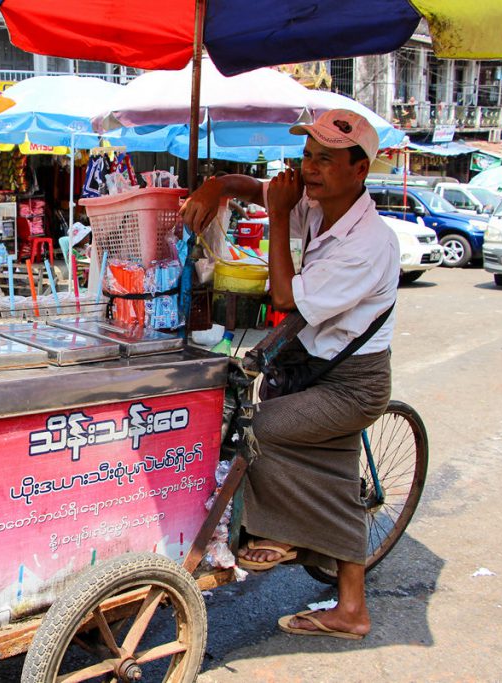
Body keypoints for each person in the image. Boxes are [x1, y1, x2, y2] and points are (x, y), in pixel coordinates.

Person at [180, 109, 399, 640]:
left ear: (359, 171)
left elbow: (284, 297)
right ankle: (351, 610)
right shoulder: (322, 208)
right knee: (339, 479)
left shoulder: (369, 243)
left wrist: (278, 217)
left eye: (326, 158)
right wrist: (218, 185)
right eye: (307, 156)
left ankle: (288, 534)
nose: (311, 168)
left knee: (259, 430)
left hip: (352, 384)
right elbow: (258, 190)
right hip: (313, 366)